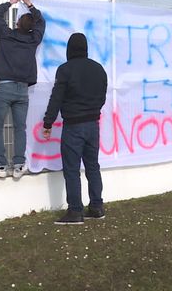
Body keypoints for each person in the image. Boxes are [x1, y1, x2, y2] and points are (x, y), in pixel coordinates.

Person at [42, 33, 108, 225]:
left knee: (72, 169)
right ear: (85, 48)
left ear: (69, 49)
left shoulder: (65, 70)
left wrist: (48, 123)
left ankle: (75, 211)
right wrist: (93, 111)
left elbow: (57, 98)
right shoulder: (99, 69)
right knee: (93, 166)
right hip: (93, 125)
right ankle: (97, 207)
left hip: (73, 126)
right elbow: (102, 96)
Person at [0, 0, 46, 179]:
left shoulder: (7, 35)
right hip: (23, 90)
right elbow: (42, 23)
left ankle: (1, 165)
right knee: (20, 128)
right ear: (32, 28)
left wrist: (10, 3)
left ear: (17, 24)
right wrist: (30, 5)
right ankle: (19, 165)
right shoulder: (34, 40)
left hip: (6, 87)